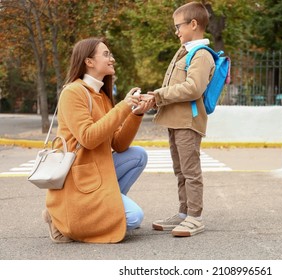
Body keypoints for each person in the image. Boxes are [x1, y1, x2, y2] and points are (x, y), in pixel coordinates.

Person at [42, 37, 155, 243]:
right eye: (106, 54)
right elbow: (88, 139)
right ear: (89, 62)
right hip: (79, 176)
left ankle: (104, 206)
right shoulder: (73, 92)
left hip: (98, 170)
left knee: (138, 155)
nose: (111, 59)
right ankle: (60, 218)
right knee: (133, 218)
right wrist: (123, 106)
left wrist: (136, 114)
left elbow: (119, 144)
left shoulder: (102, 96)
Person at [147, 1, 215, 237]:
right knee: (180, 171)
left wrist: (158, 95)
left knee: (190, 171)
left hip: (188, 122)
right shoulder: (185, 51)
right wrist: (155, 97)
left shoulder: (202, 54)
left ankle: (195, 216)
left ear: (193, 24)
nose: (176, 32)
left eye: (178, 26)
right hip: (175, 120)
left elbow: (193, 88)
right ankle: (184, 213)